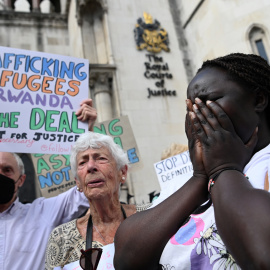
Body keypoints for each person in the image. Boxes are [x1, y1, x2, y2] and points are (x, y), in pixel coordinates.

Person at [114, 53, 270, 270]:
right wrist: (200, 179)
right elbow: (126, 259)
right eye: (191, 108)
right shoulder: (195, 176)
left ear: (259, 99)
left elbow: (262, 254)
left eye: (211, 101)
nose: (198, 115)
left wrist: (225, 169)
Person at [0, 99, 97, 270]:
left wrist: (87, 134)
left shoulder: (42, 213)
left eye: (7, 170)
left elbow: (88, 190)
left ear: (21, 179)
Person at [45, 132, 149, 269]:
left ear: (122, 172)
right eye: (83, 162)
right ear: (78, 183)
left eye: (100, 158)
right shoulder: (61, 238)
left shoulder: (150, 216)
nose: (90, 167)